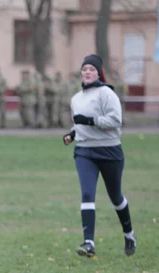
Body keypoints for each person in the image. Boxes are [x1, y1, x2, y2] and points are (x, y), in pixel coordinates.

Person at [63, 54, 137, 257]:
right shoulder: (76, 98)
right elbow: (79, 123)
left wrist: (89, 121)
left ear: (98, 73)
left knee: (115, 197)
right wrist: (72, 134)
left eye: (91, 69)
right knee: (87, 194)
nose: (87, 72)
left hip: (109, 150)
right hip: (84, 151)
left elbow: (115, 120)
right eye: (84, 68)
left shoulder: (106, 93)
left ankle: (129, 233)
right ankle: (88, 243)